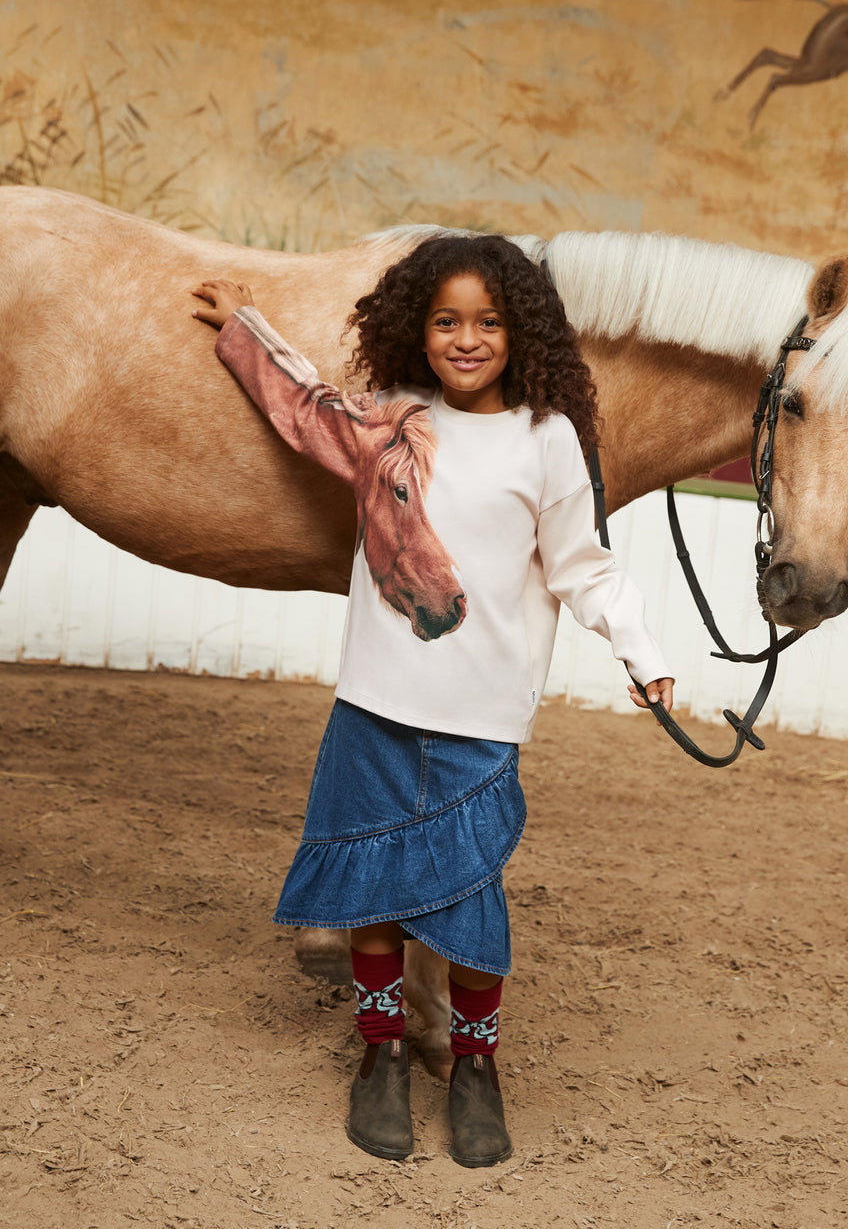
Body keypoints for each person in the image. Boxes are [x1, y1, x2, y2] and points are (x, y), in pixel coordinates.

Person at [191, 234, 674, 1168]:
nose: (466, 338)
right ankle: (380, 1055)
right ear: (420, 327)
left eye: (488, 322)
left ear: (520, 332)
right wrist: (246, 325)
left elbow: (584, 566)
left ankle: (476, 1067)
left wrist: (641, 651)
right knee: (371, 892)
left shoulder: (548, 438)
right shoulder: (391, 422)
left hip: (481, 717)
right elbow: (302, 408)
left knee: (470, 904)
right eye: (447, 320)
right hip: (375, 702)